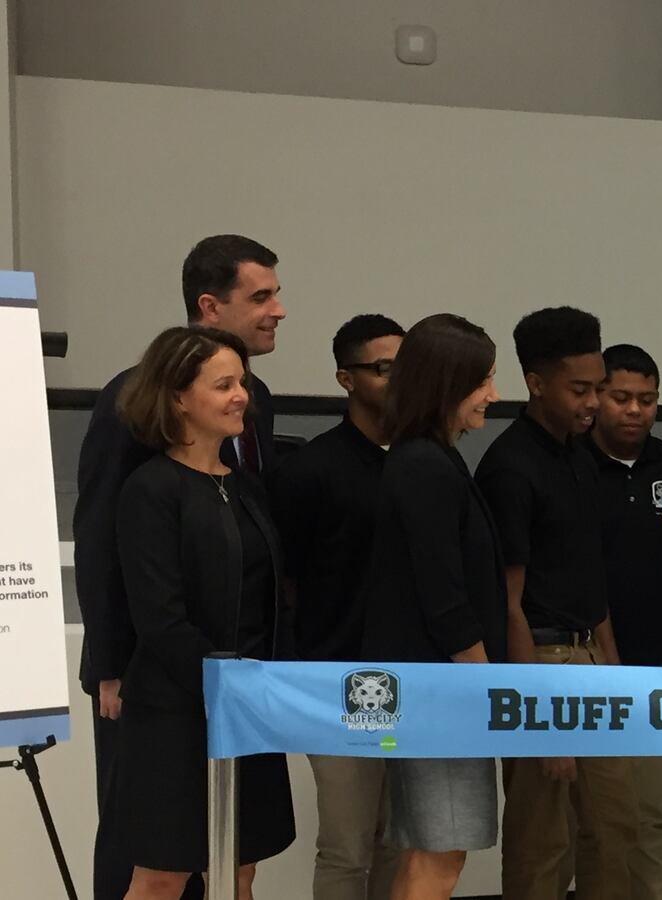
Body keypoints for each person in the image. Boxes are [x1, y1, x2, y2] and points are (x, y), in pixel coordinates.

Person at [73, 234, 284, 900]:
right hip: (154, 675)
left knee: (235, 859)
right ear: (209, 305)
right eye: (262, 296)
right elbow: (103, 534)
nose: (278, 309)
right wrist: (109, 661)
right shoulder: (128, 402)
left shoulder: (259, 409)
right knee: (152, 855)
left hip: (244, 682)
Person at [112, 325, 295, 900]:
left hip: (248, 705)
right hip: (176, 713)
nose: (242, 394)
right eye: (224, 384)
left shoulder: (243, 486)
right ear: (176, 398)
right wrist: (227, 685)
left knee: (239, 868)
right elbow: (160, 619)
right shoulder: (151, 489)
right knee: (164, 875)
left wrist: (264, 686)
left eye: (242, 381)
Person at [476, 307, 637, 900]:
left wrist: (615, 673)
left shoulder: (580, 457)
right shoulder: (510, 469)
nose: (593, 402)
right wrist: (536, 722)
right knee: (541, 844)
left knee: (615, 829)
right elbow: (507, 601)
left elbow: (589, 579)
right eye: (579, 390)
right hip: (540, 665)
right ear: (535, 383)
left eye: (598, 387)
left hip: (592, 658)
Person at [361, 313, 506, 900]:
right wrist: (482, 689)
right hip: (439, 693)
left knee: (432, 849)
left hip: (431, 690)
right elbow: (442, 597)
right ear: (446, 383)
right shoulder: (423, 465)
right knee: (439, 853)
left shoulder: (434, 459)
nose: (493, 395)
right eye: (482, 381)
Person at [269, 314, 405, 900]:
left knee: (400, 841)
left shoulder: (424, 461)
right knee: (349, 847)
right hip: (344, 676)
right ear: (346, 379)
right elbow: (285, 579)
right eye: (383, 369)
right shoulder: (312, 470)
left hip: (416, 675)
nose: (399, 381)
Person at [584, 343, 662, 900]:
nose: (634, 410)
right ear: (597, 397)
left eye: (647, 399)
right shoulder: (570, 467)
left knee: (653, 813)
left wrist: (655, 603)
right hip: (583, 666)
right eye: (621, 398)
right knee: (591, 820)